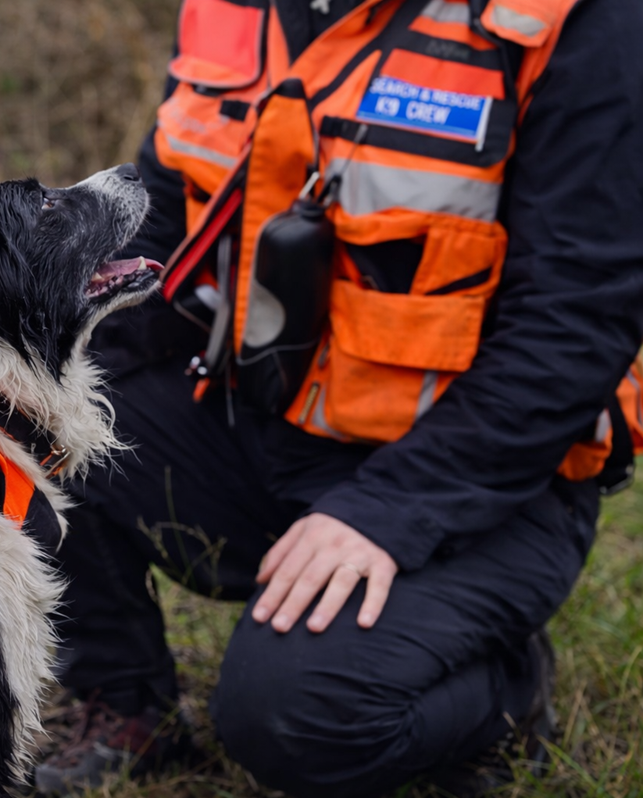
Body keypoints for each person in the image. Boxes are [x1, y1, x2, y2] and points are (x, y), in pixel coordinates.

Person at [33, 0, 643, 796]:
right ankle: (126, 704)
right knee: (16, 415)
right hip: (263, 423)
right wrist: (15, 364)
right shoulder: (232, 11)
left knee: (292, 718)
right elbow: (163, 218)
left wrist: (386, 511)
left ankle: (506, 693)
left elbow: (573, 328)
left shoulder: (577, 23)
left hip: (481, 481)